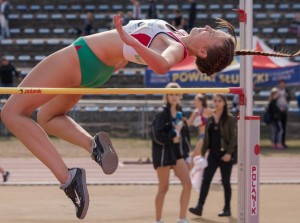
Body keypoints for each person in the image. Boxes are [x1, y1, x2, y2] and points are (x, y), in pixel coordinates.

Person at [0, 14, 298, 219]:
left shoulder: (177, 48)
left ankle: (68, 178)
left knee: (13, 113)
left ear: (203, 51)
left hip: (83, 57)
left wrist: (124, 36)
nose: (206, 26)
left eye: (210, 33)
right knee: (48, 117)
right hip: (96, 69)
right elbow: (169, 51)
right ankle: (94, 146)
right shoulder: (179, 36)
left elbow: (161, 66)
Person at [189, 94, 237, 217]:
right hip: (213, 155)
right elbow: (206, 139)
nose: (216, 103)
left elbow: (234, 138)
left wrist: (228, 153)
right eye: (214, 101)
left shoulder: (230, 119)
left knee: (225, 182)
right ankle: (199, 207)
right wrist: (203, 154)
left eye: (219, 101)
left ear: (224, 103)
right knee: (206, 180)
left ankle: (227, 208)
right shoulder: (210, 119)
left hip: (225, 155)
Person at [151, 82, 191, 223]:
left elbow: (185, 137)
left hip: (177, 154)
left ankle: (182, 218)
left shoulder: (181, 114)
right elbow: (157, 136)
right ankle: (158, 220)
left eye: (176, 94)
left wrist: (187, 155)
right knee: (164, 187)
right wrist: (173, 133)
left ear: (180, 96)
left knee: (188, 184)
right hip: (163, 153)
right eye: (171, 94)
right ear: (166, 96)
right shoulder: (162, 115)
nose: (174, 97)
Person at [187, 94, 213, 163]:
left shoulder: (206, 110)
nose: (194, 101)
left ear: (201, 101)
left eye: (195, 100)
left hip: (206, 137)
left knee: (194, 157)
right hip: (201, 137)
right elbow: (189, 123)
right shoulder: (195, 112)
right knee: (200, 158)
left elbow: (217, 115)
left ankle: (187, 173)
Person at [277, 79, 291, 148]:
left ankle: (282, 142)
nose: (282, 84)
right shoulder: (276, 91)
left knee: (284, 127)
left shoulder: (287, 90)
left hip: (284, 111)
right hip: (278, 111)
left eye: (283, 83)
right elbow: (273, 99)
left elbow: (289, 99)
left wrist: (287, 96)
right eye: (281, 83)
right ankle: (277, 142)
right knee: (278, 128)